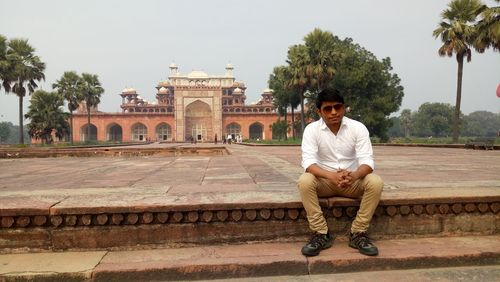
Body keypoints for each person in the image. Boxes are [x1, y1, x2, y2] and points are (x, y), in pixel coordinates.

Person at [297, 88, 383, 257]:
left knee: (375, 181)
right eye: (328, 109)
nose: (334, 112)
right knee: (305, 180)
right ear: (319, 111)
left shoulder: (357, 128)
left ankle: (358, 233)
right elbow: (308, 162)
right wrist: (331, 176)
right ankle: (320, 233)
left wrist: (354, 176)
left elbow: (367, 162)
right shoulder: (312, 130)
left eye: (338, 107)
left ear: (344, 108)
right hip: (325, 182)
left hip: (351, 182)